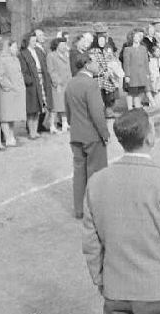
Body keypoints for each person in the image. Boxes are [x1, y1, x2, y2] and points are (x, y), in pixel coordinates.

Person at [82, 109, 160, 314]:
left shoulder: (96, 182)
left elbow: (91, 242)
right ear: (150, 137)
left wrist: (100, 279)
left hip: (116, 290)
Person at [65, 54, 111, 219]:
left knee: (79, 174)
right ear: (87, 64)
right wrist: (104, 133)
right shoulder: (91, 84)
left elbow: (68, 113)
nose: (97, 65)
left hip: (76, 134)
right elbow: (97, 113)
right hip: (92, 135)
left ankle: (79, 209)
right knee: (96, 174)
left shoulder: (71, 83)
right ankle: (95, 210)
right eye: (94, 62)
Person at [0, 38, 24, 148]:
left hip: (16, 92)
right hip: (6, 92)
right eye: (14, 47)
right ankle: (7, 137)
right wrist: (9, 86)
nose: (16, 49)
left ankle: (12, 135)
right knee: (5, 116)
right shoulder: (2, 60)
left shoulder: (16, 59)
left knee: (12, 116)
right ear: (8, 48)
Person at [121, 28, 150, 110]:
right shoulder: (127, 49)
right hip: (132, 74)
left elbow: (146, 61)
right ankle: (130, 107)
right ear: (132, 38)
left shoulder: (143, 48)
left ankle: (137, 105)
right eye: (135, 37)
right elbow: (126, 64)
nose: (137, 38)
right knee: (131, 92)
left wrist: (147, 73)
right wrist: (127, 75)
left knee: (140, 91)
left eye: (139, 37)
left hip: (142, 74)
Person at [47, 38, 71, 132]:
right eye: (62, 45)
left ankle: (65, 123)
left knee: (64, 103)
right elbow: (51, 70)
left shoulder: (65, 55)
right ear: (57, 46)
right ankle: (52, 125)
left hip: (66, 83)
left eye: (65, 44)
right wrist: (57, 82)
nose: (64, 47)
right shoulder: (51, 56)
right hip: (57, 84)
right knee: (55, 105)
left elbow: (68, 70)